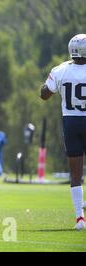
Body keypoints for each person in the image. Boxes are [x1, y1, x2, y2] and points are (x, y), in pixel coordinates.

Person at [40, 34, 86, 231]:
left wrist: (50, 82)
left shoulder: (60, 70)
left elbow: (44, 94)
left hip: (71, 123)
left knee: (75, 174)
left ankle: (80, 219)